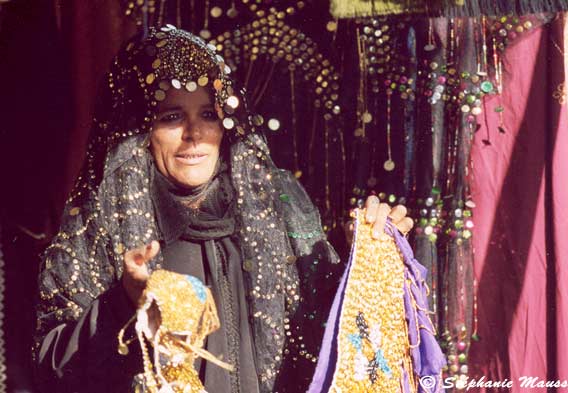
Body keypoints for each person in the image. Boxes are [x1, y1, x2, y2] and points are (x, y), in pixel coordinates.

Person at [34, 26, 413, 393]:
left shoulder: (274, 203)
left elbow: (325, 333)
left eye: (208, 114)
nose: (194, 134)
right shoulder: (102, 224)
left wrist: (363, 257)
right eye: (171, 116)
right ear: (139, 129)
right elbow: (53, 368)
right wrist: (124, 304)